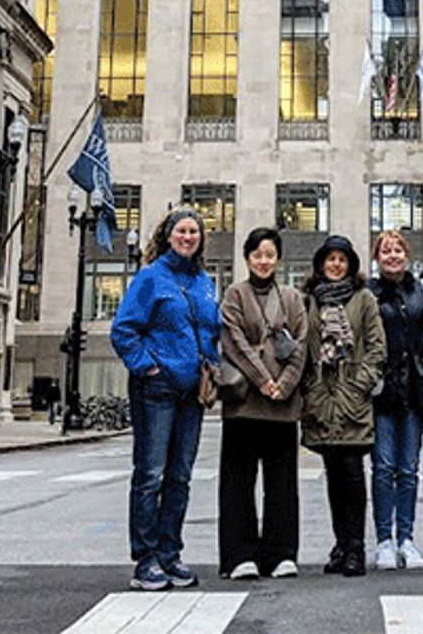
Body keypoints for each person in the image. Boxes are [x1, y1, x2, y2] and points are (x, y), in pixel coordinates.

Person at [111, 207, 220, 593]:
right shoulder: (150, 277)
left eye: (194, 232)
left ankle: (170, 553)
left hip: (193, 392)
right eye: (182, 231)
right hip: (156, 390)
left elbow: (212, 331)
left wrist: (213, 365)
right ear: (168, 235)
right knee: (151, 475)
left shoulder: (206, 283)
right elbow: (123, 330)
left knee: (180, 476)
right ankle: (145, 560)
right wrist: (149, 368)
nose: (188, 237)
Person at [218, 226, 308, 581]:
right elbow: (233, 342)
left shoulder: (292, 297)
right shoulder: (234, 295)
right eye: (257, 255)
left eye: (269, 255)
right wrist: (264, 380)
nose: (263, 261)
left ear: (278, 259)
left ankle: (281, 553)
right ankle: (240, 555)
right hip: (243, 402)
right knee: (238, 480)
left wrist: (283, 385)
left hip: (283, 407)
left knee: (282, 482)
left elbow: (302, 345)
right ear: (247, 258)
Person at [299, 234, 385, 577]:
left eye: (342, 259)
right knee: (333, 475)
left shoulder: (363, 299)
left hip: (352, 397)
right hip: (321, 397)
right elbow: (303, 347)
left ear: (351, 265)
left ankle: (355, 548)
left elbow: (378, 348)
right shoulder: (310, 301)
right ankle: (340, 544)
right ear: (321, 264)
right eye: (330, 259)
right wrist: (309, 387)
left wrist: (359, 384)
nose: (336, 265)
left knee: (351, 473)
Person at [368, 229, 423, 570]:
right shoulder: (368, 294)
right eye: (386, 250)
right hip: (382, 391)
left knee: (409, 469)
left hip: (414, 389)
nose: (393, 255)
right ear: (377, 257)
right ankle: (384, 540)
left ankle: (407, 538)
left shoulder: (422, 291)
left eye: (398, 249)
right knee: (383, 467)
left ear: (407, 254)